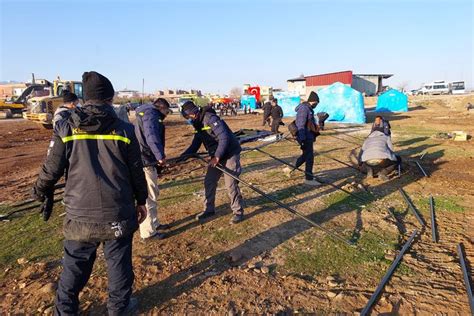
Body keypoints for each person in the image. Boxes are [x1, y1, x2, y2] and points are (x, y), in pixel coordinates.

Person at [31, 71, 147, 314]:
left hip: (80, 217)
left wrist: (39, 191)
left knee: (73, 269)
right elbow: (137, 170)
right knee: (119, 267)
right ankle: (118, 309)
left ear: (86, 98)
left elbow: (51, 169)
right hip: (118, 213)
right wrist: (142, 200)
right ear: (110, 98)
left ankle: (65, 311)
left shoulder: (65, 127)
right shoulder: (125, 130)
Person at [178, 101, 245, 224]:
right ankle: (209, 209)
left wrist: (217, 157)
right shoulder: (197, 124)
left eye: (188, 117)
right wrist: (181, 158)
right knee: (209, 181)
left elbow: (224, 137)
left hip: (230, 153)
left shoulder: (210, 118)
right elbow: (195, 145)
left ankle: (238, 212)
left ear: (193, 113)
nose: (188, 120)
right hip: (217, 155)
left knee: (231, 184)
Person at [134, 98, 172, 240]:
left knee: (153, 192)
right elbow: (151, 137)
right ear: (161, 108)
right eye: (167, 111)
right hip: (145, 161)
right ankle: (148, 232)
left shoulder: (147, 113)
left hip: (147, 159)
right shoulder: (151, 115)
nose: (167, 114)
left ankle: (154, 224)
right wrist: (160, 156)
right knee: (149, 195)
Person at [284, 91, 321, 185]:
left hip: (308, 136)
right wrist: (303, 139)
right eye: (316, 103)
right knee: (309, 157)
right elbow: (300, 125)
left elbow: (309, 123)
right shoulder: (304, 109)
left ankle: (289, 168)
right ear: (313, 101)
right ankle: (309, 179)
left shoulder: (308, 108)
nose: (316, 105)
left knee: (306, 155)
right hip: (304, 137)